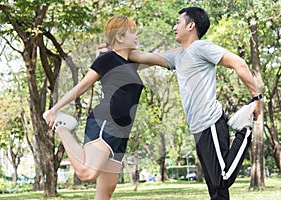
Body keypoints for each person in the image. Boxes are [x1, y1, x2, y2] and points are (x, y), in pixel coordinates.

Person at [128, 7, 262, 200]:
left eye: (178, 22)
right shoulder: (178, 56)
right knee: (216, 192)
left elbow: (239, 63)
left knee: (222, 179)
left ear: (191, 25)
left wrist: (256, 99)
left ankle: (244, 130)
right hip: (198, 128)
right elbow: (144, 57)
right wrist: (117, 51)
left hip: (211, 123)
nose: (174, 27)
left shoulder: (201, 47)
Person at [43, 15, 152, 200]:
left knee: (106, 192)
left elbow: (162, 59)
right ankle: (61, 126)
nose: (136, 37)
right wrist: (55, 109)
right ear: (119, 37)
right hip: (105, 122)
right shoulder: (107, 59)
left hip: (122, 132)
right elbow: (83, 86)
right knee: (87, 173)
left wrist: (187, 49)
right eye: (132, 33)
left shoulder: (131, 64)